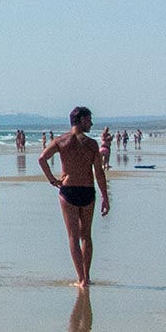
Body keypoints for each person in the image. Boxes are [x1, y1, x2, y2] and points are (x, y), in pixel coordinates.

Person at [39, 106, 110, 288]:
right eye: (88, 120)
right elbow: (99, 173)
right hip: (87, 190)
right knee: (86, 236)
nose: (91, 123)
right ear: (79, 120)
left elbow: (42, 159)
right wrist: (105, 196)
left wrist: (52, 180)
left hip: (69, 190)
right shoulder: (92, 144)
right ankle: (86, 276)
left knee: (73, 236)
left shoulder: (61, 141)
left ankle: (81, 279)